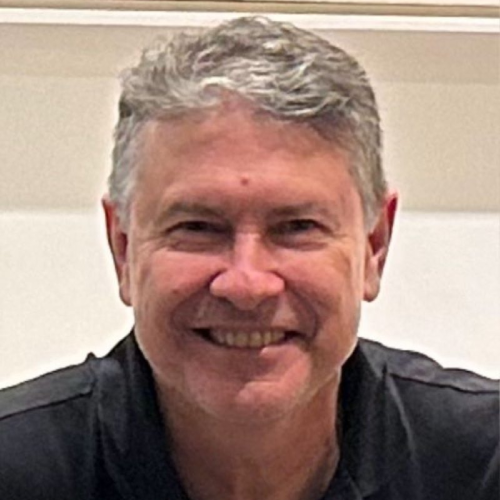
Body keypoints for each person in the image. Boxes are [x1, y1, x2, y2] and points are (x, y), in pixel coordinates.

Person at [0, 16, 497, 500]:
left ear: (374, 246)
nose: (247, 285)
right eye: (197, 228)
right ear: (123, 248)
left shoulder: (482, 464)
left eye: (297, 227)